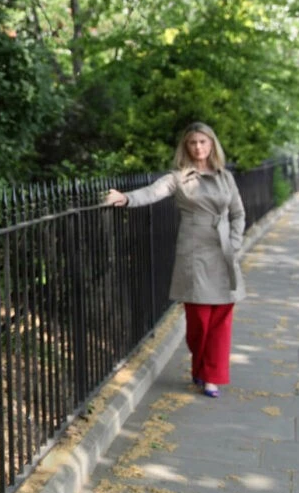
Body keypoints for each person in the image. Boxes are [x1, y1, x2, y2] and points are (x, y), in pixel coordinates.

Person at [103, 122, 246, 398]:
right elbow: (152, 192)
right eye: (193, 143)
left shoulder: (225, 177)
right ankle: (200, 365)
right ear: (186, 147)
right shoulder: (178, 178)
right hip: (194, 253)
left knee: (221, 320)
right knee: (199, 322)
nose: (198, 147)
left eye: (203, 142)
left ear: (212, 144)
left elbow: (238, 213)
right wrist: (125, 198)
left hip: (223, 252)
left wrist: (236, 244)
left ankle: (211, 377)